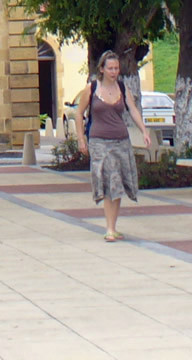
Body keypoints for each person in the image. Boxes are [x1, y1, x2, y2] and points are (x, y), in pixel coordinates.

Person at [72, 50, 151, 242]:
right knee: (108, 182)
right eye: (110, 68)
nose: (114, 72)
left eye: (116, 68)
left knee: (117, 184)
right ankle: (109, 228)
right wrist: (81, 139)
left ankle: (112, 227)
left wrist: (144, 130)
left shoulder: (123, 89)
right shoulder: (91, 88)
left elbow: (132, 110)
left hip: (121, 141)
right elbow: (79, 113)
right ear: (102, 69)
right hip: (99, 141)